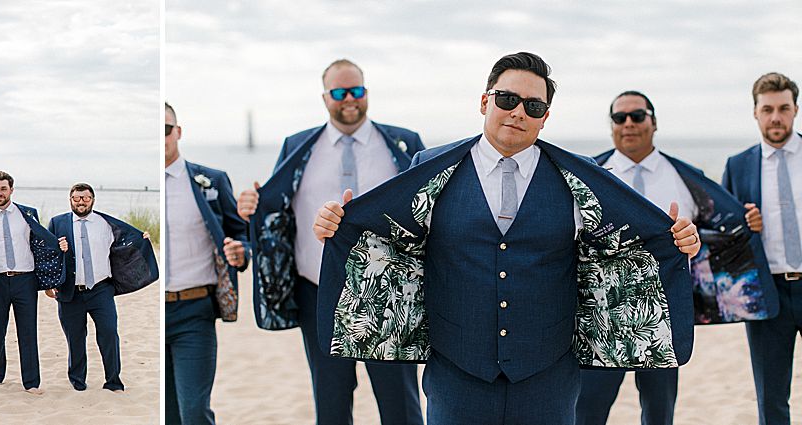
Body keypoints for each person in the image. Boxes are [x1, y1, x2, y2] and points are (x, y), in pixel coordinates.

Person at [313, 52, 701, 424]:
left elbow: (625, 247)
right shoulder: (430, 167)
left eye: (533, 106)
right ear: (485, 102)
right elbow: (390, 242)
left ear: (545, 118)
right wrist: (336, 224)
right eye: (507, 99)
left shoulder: (581, 177)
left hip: (548, 378)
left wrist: (679, 240)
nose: (518, 112)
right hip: (455, 375)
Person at [235, 58, 425, 425]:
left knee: (400, 404)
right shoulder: (297, 146)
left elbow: (427, 208)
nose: (349, 99)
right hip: (318, 292)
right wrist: (250, 208)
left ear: (366, 93)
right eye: (339, 92)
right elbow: (275, 209)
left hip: (390, 296)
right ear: (325, 98)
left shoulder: (404, 142)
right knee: (331, 401)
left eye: (356, 90)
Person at [578, 90, 773, 425]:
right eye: (619, 117)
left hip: (663, 316)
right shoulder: (590, 174)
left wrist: (747, 220)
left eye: (638, 116)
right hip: (602, 315)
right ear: (611, 126)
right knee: (587, 412)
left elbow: (722, 231)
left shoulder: (686, 176)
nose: (628, 124)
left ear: (653, 122)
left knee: (659, 413)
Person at [722, 72, 802, 425]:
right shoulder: (737, 166)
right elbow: (723, 234)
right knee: (771, 397)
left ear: (795, 110)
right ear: (755, 113)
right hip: (767, 293)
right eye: (767, 109)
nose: (775, 117)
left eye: (783, 108)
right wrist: (744, 226)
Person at [164, 102, 248, 425]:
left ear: (178, 132)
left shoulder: (209, 180)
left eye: (165, 130)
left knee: (195, 412)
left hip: (194, 311)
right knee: (169, 415)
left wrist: (242, 253)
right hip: (157, 312)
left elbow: (241, 232)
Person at [46, 182, 158, 392]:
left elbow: (126, 241)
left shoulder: (105, 223)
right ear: (70, 200)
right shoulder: (57, 222)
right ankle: (78, 382)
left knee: (108, 334)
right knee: (75, 339)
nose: (81, 202)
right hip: (70, 292)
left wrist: (141, 239)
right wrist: (48, 285)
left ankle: (113, 381)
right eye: (77, 198)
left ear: (93, 200)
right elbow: (48, 255)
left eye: (85, 198)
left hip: (101, 289)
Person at [0, 171, 67, 395]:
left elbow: (43, 243)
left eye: (3, 188)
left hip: (25, 280)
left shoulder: (28, 213)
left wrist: (60, 245)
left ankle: (31, 383)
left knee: (27, 332)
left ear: (11, 190)